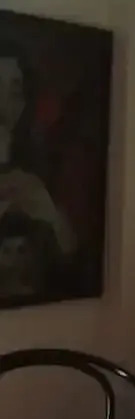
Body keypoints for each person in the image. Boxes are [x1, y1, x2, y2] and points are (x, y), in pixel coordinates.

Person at [0, 41, 74, 298]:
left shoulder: (37, 172)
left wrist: (51, 216)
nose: (3, 106)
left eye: (14, 93)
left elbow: (71, 258)